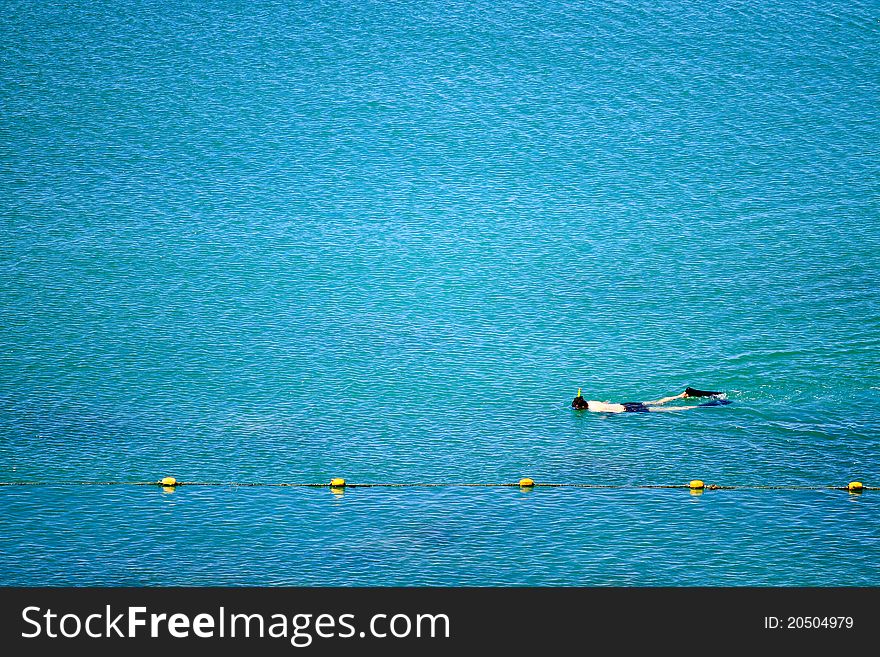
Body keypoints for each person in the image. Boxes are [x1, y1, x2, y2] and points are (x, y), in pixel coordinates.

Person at [571, 387, 730, 413]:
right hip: (625, 404)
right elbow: (606, 404)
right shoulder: (592, 402)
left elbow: (607, 413)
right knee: (658, 402)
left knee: (667, 410)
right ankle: (682, 395)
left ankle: (695, 407)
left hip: (628, 410)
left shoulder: (593, 409)